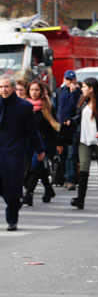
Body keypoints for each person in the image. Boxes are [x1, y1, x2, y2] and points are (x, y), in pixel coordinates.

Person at [0, 75, 45, 231]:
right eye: (1, 87)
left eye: (6, 87)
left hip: (14, 153)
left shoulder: (23, 106)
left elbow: (32, 130)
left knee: (12, 188)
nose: (3, 90)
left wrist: (40, 149)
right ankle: (15, 204)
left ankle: (12, 219)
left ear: (13, 88)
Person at [69, 78, 98, 209]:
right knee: (84, 168)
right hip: (84, 139)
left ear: (91, 88)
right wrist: (71, 121)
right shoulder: (84, 100)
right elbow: (80, 116)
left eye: (84, 87)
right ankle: (80, 199)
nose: (82, 89)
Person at [22, 80, 60, 205]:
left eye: (36, 90)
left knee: (35, 167)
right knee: (39, 168)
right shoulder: (24, 105)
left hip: (44, 142)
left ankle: (29, 195)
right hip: (28, 142)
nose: (34, 92)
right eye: (31, 90)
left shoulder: (47, 105)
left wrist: (58, 143)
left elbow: (54, 125)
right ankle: (49, 190)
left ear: (41, 91)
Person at [54, 69, 82, 190]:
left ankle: (71, 179)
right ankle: (65, 176)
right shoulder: (59, 91)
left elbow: (78, 108)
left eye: (71, 80)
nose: (69, 82)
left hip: (72, 126)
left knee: (71, 153)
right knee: (62, 152)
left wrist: (74, 93)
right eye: (67, 79)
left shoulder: (79, 92)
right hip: (61, 126)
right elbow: (55, 107)